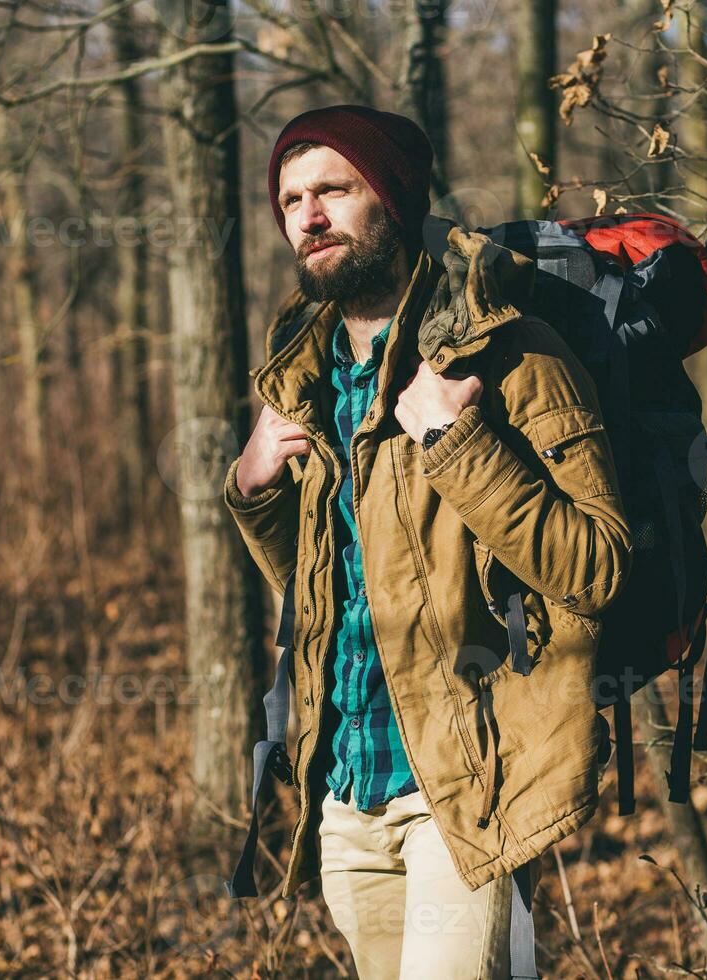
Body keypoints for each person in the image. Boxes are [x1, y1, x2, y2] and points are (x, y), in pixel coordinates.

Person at [223, 104, 631, 979]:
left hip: (465, 788)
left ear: (395, 200)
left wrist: (458, 446)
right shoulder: (305, 375)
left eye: (334, 189)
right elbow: (331, 588)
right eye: (291, 199)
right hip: (344, 793)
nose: (309, 216)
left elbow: (599, 569)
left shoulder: (514, 355)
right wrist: (255, 490)